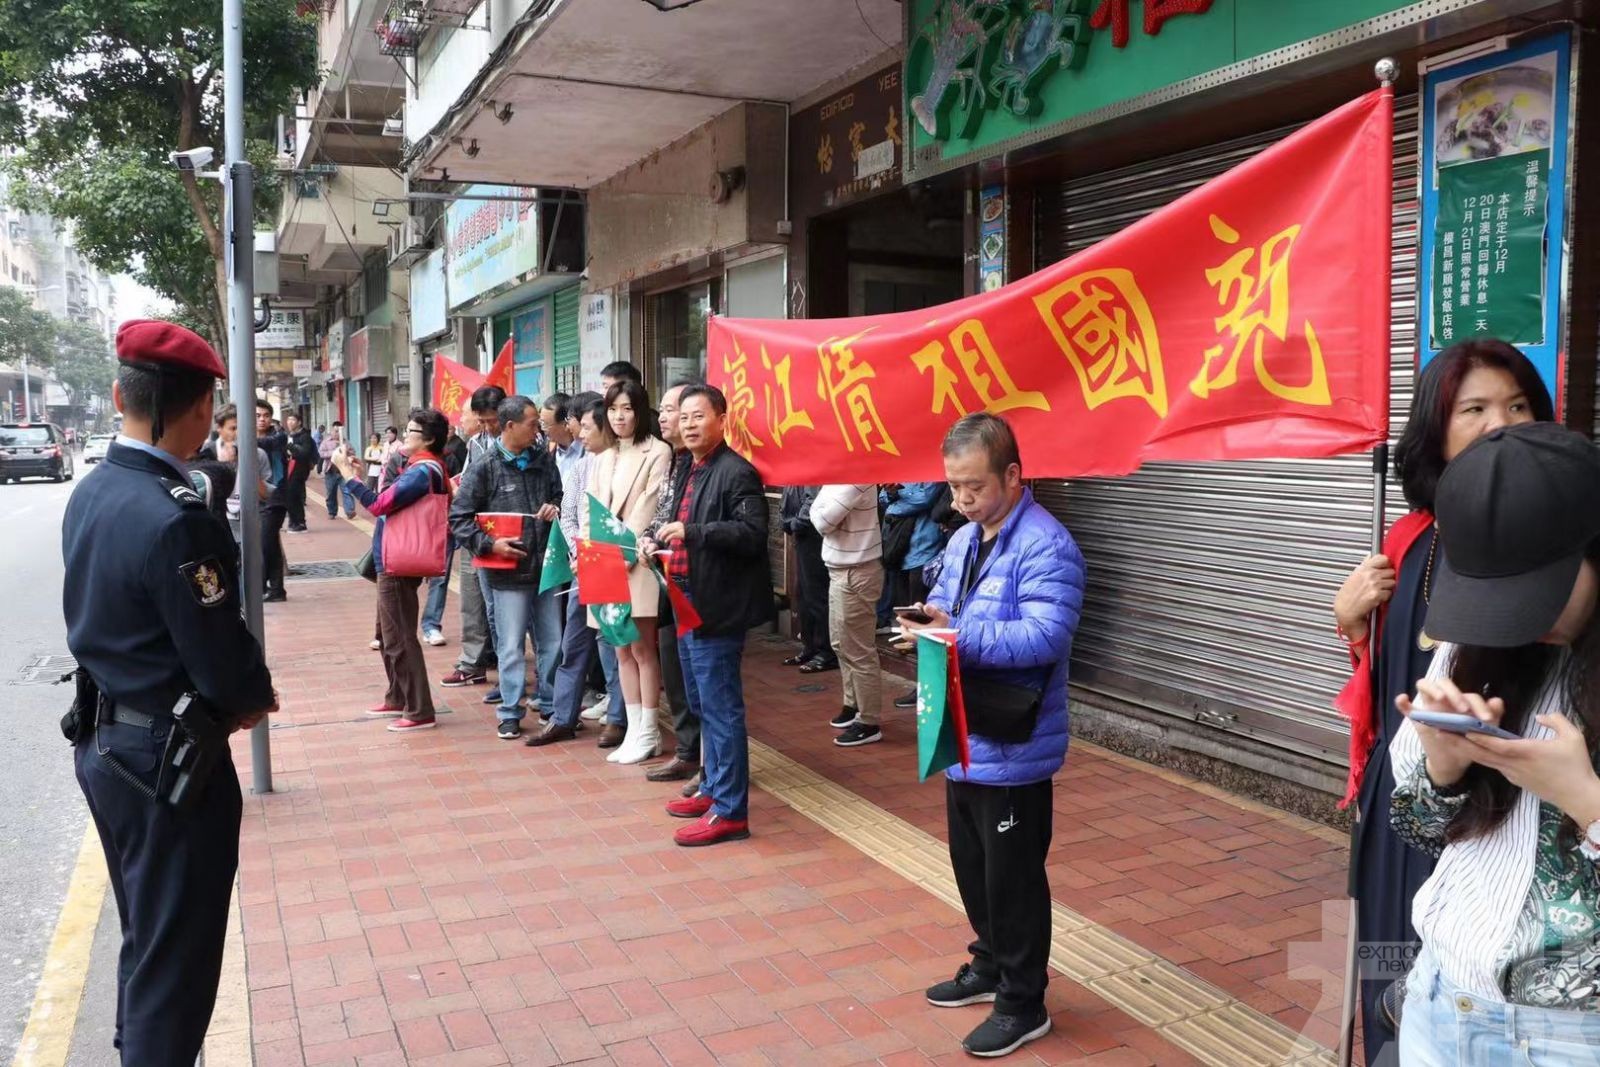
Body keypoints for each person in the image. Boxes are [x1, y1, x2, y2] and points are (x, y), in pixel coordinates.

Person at [1331, 339, 1552, 1061]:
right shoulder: (1408, 539)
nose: (1502, 424)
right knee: (1388, 978)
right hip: (1402, 808)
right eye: (1477, 409)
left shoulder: (1545, 548)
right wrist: (1351, 625)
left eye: (1518, 406)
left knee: (1452, 998)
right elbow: (1387, 681)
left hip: (1489, 823)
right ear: (1437, 429)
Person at [63, 319, 277, 1064]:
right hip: (168, 768)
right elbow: (224, 663)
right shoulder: (175, 516)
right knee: (176, 968)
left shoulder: (93, 490)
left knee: (147, 942)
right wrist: (251, 699)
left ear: (122, 395)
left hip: (107, 748)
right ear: (196, 410)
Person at [1389, 422, 1600, 1065]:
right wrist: (1443, 770)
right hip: (1441, 1001)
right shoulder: (1474, 647)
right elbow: (1422, 832)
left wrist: (1586, 803)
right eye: (1496, 597)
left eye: (1534, 591)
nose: (1519, 620)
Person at [901, 413, 1084, 1060]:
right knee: (973, 867)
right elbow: (951, 602)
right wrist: (930, 619)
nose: (961, 499)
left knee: (1014, 881)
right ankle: (988, 962)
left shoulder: (1047, 544)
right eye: (952, 486)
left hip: (1014, 739)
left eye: (973, 486)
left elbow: (1046, 637)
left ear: (1012, 474)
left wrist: (954, 635)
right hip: (966, 727)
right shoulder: (965, 538)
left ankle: (1023, 999)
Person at [647, 384, 772, 846]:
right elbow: (674, 525)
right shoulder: (688, 467)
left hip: (716, 606)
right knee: (701, 705)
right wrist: (655, 543)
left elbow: (752, 533)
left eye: (699, 416)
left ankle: (731, 811)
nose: (689, 424)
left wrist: (694, 531)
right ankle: (712, 788)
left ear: (722, 419)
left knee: (721, 711)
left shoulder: (737, 471)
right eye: (684, 417)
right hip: (684, 599)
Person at [449, 394, 561, 740]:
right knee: (511, 645)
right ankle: (510, 710)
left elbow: (560, 495)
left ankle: (550, 702)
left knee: (552, 641)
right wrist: (490, 544)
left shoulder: (543, 461)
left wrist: (554, 507)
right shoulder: (485, 467)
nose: (538, 430)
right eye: (532, 425)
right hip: (506, 572)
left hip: (545, 568)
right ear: (510, 426)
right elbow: (460, 518)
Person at [334, 409, 452, 733]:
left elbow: (378, 505)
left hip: (398, 563)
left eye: (412, 431)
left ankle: (419, 710)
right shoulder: (417, 468)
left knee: (399, 637)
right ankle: (398, 696)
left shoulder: (423, 471)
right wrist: (357, 474)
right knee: (388, 636)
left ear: (428, 439)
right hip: (391, 560)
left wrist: (348, 476)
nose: (405, 436)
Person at [586, 379, 674, 764]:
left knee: (641, 646)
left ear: (641, 411)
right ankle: (635, 730)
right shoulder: (602, 457)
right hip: (601, 562)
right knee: (619, 648)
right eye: (613, 409)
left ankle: (650, 730)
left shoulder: (658, 452)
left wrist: (622, 551)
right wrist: (587, 553)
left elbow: (649, 507)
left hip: (636, 559)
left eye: (627, 408)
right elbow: (592, 511)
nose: (619, 416)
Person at [525, 392, 615, 748]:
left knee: (610, 645)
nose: (579, 434)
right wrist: (579, 551)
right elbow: (570, 513)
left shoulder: (621, 463)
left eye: (587, 427)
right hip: (582, 566)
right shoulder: (580, 468)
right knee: (572, 643)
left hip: (609, 567)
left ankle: (618, 720)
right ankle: (563, 716)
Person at [642, 382, 699, 785]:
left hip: (693, 584)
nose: (664, 417)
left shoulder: (698, 464)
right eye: (661, 410)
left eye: (671, 409)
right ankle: (686, 750)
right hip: (666, 579)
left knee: (697, 677)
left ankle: (702, 757)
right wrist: (648, 535)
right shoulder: (677, 462)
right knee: (674, 669)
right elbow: (662, 513)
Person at [439, 387, 506, 695]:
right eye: (481, 419)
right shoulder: (475, 443)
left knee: (502, 608)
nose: (486, 426)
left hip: (507, 533)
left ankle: (508, 671)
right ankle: (472, 663)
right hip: (475, 530)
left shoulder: (522, 442)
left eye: (490, 419)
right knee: (472, 599)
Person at [812, 484, 886, 746]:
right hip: (839, 570)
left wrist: (820, 509)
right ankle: (852, 704)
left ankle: (869, 720)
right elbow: (815, 510)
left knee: (858, 649)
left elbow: (822, 521)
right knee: (840, 643)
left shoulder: (857, 478)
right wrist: (819, 510)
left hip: (857, 572)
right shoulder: (838, 479)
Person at [420, 415, 473, 647]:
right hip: (414, 530)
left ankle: (431, 625)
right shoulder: (402, 459)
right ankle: (387, 630)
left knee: (439, 579)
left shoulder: (452, 456)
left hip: (444, 527)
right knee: (403, 580)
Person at [781, 484, 836, 675]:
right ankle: (810, 646)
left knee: (816, 595)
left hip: (813, 535)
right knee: (803, 595)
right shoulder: (794, 466)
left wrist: (795, 523)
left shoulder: (812, 467)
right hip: (802, 534)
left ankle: (825, 651)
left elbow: (814, 501)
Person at [255, 399, 290, 601]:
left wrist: (239, 438)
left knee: (264, 542)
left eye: (266, 415)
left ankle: (259, 587)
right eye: (257, 416)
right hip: (253, 498)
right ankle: (277, 590)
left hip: (274, 498)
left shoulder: (278, 437)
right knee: (271, 544)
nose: (262, 419)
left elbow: (265, 443)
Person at [283, 412, 317, 532]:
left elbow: (305, 453)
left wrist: (291, 447)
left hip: (299, 469)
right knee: (290, 496)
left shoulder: (304, 436)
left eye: (292, 420)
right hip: (290, 469)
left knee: (294, 495)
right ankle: (294, 521)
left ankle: (299, 523)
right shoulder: (290, 435)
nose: (289, 423)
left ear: (299, 422)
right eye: (288, 420)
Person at [319, 420, 356, 519]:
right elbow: (321, 453)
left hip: (343, 472)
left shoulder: (345, 442)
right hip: (330, 471)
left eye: (339, 431)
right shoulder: (326, 442)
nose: (337, 433)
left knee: (347, 491)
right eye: (335, 431)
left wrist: (346, 452)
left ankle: (350, 511)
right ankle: (332, 512)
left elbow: (353, 452)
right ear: (331, 431)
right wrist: (334, 452)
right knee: (331, 493)